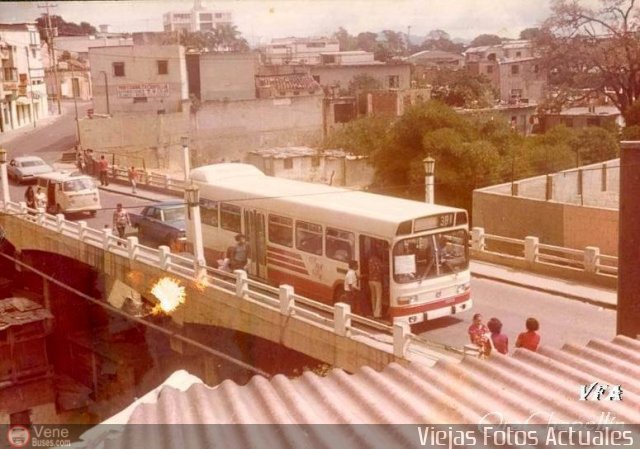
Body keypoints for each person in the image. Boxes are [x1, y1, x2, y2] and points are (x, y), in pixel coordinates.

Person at [368, 250, 383, 318]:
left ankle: (373, 310)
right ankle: (377, 314)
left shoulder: (370, 260)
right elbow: (381, 269)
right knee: (378, 297)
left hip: (370, 280)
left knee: (373, 296)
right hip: (377, 280)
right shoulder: (378, 260)